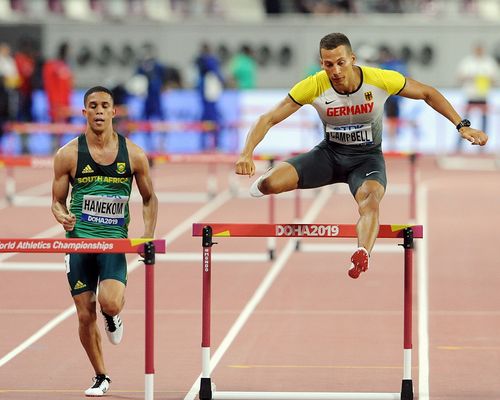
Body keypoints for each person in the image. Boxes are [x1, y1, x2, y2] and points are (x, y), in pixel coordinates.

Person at [235, 32, 487, 279]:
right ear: (322, 63)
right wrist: (247, 153)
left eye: (340, 63)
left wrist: (461, 125)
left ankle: (362, 251)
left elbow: (428, 93)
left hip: (366, 160)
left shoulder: (379, 79)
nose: (335, 71)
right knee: (269, 184)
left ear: (352, 59)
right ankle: (268, 179)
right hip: (329, 155)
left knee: (370, 203)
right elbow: (267, 118)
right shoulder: (314, 85)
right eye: (328, 64)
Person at [51, 86, 158, 396]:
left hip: (114, 242)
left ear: (114, 112)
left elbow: (149, 198)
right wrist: (61, 215)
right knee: (85, 314)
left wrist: (146, 236)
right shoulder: (68, 154)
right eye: (92, 106)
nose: (98, 111)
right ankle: (101, 375)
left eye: (104, 106)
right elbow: (57, 201)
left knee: (109, 303)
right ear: (84, 113)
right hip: (78, 243)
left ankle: (112, 316)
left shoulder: (134, 154)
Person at [455, 43, 498, 152]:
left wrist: (485, 78)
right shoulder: (468, 62)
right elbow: (459, 77)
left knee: (484, 121)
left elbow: (495, 79)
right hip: (471, 96)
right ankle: (458, 145)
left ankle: (483, 143)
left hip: (483, 96)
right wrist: (471, 77)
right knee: (464, 121)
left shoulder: (489, 62)